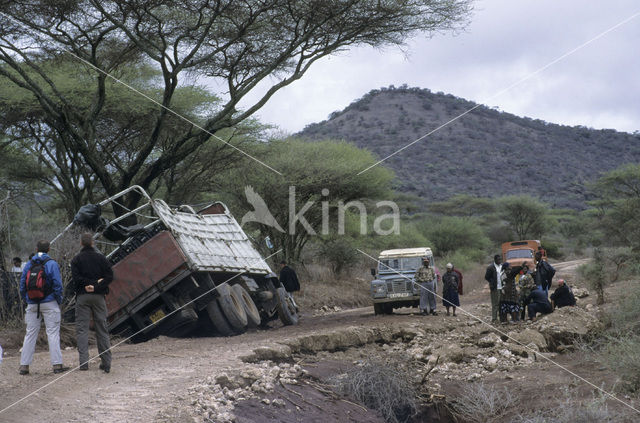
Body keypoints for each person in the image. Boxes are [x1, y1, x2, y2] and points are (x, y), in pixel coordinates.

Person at [18, 240, 69, 375]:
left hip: (32, 303)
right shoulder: (52, 264)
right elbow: (57, 284)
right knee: (52, 333)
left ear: (36, 249)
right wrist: (58, 300)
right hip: (49, 302)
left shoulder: (29, 264)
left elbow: (22, 284)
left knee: (30, 334)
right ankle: (57, 365)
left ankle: (24, 366)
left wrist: (27, 299)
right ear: (49, 249)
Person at [71, 233, 114, 373]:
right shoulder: (101, 258)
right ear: (93, 243)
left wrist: (87, 285)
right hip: (98, 296)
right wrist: (95, 285)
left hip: (82, 297)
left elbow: (76, 279)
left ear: (81, 244)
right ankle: (106, 362)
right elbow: (110, 276)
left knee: (82, 329)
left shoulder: (76, 259)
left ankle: (84, 363)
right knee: (102, 328)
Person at [484, 254, 503, 323]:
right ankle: (494, 318)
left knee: (501, 302)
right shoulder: (491, 267)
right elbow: (486, 277)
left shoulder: (502, 266)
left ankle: (501, 317)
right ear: (495, 260)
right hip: (495, 287)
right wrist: (492, 282)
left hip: (502, 287)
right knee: (495, 303)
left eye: (500, 259)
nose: (499, 261)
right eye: (498, 259)